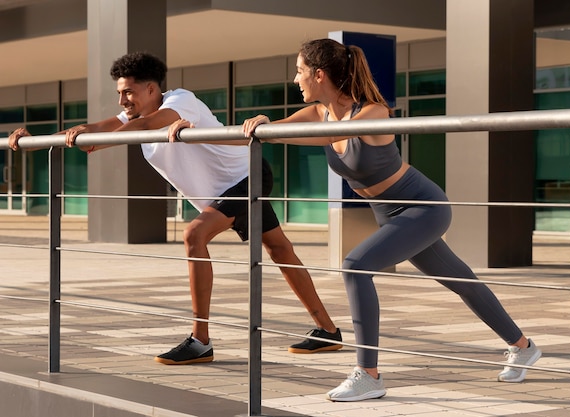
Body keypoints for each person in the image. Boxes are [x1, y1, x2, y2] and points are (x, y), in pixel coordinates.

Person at [237, 38, 542, 401]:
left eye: (300, 71)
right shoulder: (321, 114)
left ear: (319, 75)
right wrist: (194, 131)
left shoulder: (372, 114)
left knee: (354, 266)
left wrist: (275, 130)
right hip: (389, 214)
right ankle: (523, 346)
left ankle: (369, 374)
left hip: (422, 208)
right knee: (461, 281)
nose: (295, 79)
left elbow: (312, 134)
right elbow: (276, 130)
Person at [8, 51, 343, 365]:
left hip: (246, 177)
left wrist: (105, 140)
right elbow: (95, 128)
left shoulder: (181, 101)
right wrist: (33, 141)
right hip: (229, 188)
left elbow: (142, 127)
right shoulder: (132, 116)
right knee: (280, 249)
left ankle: (200, 341)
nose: (123, 101)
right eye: (120, 94)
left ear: (152, 88)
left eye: (129, 92)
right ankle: (328, 331)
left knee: (194, 234)